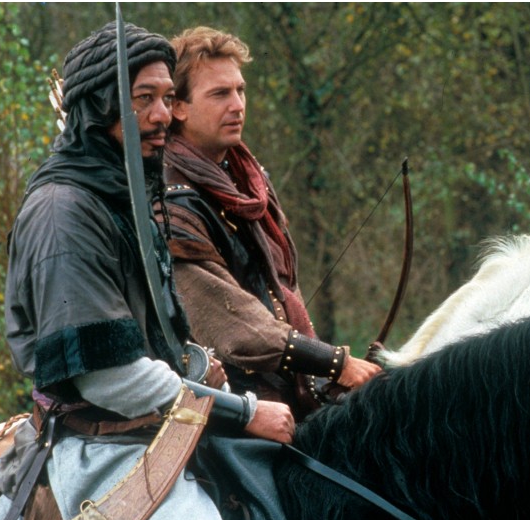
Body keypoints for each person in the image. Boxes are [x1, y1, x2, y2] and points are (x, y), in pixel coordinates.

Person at [0, 20, 294, 520]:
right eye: (143, 99)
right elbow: (109, 379)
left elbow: (155, 340)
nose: (163, 115)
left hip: (162, 430)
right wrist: (243, 412)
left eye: (166, 98)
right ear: (98, 107)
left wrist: (198, 365)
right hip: (100, 451)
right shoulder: (63, 214)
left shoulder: (124, 196)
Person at [159, 27, 381, 420]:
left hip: (286, 392)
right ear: (178, 107)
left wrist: (323, 375)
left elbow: (282, 291)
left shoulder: (247, 180)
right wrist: (334, 362)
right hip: (227, 408)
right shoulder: (170, 201)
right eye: (220, 94)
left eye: (240, 90)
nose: (237, 105)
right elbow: (233, 324)